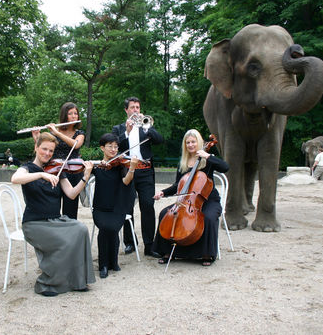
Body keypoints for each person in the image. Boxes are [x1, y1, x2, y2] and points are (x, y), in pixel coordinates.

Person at [11, 132, 95, 297]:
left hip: (54, 220)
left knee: (81, 229)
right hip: (34, 223)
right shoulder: (27, 168)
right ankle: (46, 283)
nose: (47, 154)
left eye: (51, 151)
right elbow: (15, 178)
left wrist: (85, 177)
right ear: (36, 147)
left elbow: (71, 194)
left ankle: (77, 281)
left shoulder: (57, 169)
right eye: (44, 149)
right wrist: (42, 174)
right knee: (64, 241)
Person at [152, 129, 229, 266]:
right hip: (188, 202)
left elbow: (225, 167)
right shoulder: (183, 162)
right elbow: (178, 185)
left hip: (209, 200)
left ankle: (206, 254)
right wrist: (163, 192)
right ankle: (168, 252)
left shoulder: (207, 159)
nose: (191, 145)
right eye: (188, 143)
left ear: (199, 142)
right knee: (165, 214)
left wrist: (208, 156)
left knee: (209, 217)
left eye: (193, 142)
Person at [112, 97, 164, 257]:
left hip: (145, 171)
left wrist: (146, 127)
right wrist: (127, 132)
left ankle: (149, 245)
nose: (136, 110)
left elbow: (160, 140)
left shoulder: (146, 126)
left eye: (138, 107)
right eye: (132, 107)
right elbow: (115, 148)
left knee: (148, 206)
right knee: (127, 207)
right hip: (127, 171)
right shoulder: (118, 129)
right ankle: (130, 242)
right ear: (126, 110)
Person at [91, 133, 138, 278]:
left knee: (112, 227)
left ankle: (112, 262)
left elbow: (126, 181)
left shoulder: (120, 165)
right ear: (102, 148)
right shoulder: (97, 166)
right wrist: (92, 167)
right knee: (105, 227)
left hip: (118, 207)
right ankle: (104, 264)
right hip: (100, 208)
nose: (113, 149)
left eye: (116, 147)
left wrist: (132, 168)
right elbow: (83, 172)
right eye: (110, 146)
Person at [32, 102, 85, 219]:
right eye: (70, 113)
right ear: (64, 115)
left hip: (73, 171)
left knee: (70, 208)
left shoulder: (79, 133)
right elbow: (44, 148)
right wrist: (36, 137)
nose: (73, 116)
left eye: (75, 113)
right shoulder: (55, 131)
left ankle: (69, 232)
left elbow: (76, 145)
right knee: (52, 203)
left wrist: (56, 133)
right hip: (54, 171)